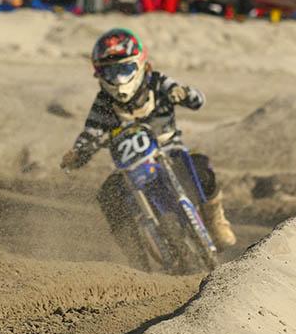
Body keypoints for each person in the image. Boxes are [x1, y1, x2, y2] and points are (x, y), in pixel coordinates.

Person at [60, 28, 236, 255]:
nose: (118, 79)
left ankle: (216, 222)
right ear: (99, 73)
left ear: (140, 63)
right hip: (130, 168)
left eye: (124, 69)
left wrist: (183, 93)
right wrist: (78, 153)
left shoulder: (157, 82)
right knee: (108, 195)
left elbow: (197, 100)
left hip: (169, 151)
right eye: (110, 72)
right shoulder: (103, 103)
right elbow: (91, 132)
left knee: (201, 167)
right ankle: (135, 255)